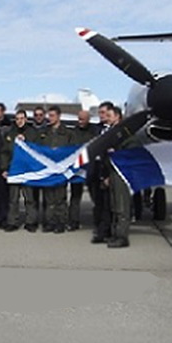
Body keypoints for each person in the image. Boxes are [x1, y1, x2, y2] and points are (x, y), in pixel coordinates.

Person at [40, 105, 72, 233]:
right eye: (49, 115)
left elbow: (71, 151)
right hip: (48, 169)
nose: (49, 118)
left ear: (59, 116)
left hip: (61, 170)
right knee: (49, 198)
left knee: (60, 198)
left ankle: (61, 222)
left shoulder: (67, 133)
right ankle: (50, 222)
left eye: (52, 116)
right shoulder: (44, 133)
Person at [105, 106, 134, 248]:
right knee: (115, 204)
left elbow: (132, 150)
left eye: (109, 115)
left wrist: (116, 152)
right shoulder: (111, 132)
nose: (107, 118)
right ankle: (115, 234)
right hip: (113, 172)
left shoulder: (125, 133)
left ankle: (122, 237)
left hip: (122, 173)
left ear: (117, 116)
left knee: (122, 205)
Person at [1, 109, 34, 232]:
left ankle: (30, 221)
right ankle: (12, 222)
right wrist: (4, 168)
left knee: (29, 198)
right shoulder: (10, 133)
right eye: (17, 119)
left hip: (27, 170)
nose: (19, 121)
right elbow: (4, 152)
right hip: (14, 170)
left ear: (26, 119)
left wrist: (26, 141)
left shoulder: (32, 133)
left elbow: (37, 150)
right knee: (13, 198)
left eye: (22, 118)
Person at [88, 101, 114, 244]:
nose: (101, 116)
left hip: (108, 168)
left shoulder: (117, 131)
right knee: (97, 201)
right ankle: (99, 228)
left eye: (104, 113)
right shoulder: (95, 129)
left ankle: (106, 231)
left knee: (108, 202)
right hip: (95, 168)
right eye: (100, 113)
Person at [67, 110, 98, 230]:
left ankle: (97, 221)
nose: (80, 122)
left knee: (96, 197)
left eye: (83, 119)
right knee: (75, 196)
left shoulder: (95, 132)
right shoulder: (73, 133)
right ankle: (73, 221)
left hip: (91, 169)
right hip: (77, 170)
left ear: (88, 119)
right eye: (79, 119)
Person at [23, 106, 48, 231]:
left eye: (40, 115)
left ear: (44, 116)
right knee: (32, 198)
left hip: (46, 169)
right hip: (32, 169)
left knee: (47, 198)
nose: (38, 117)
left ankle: (47, 221)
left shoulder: (49, 130)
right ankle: (32, 221)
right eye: (36, 115)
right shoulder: (28, 131)